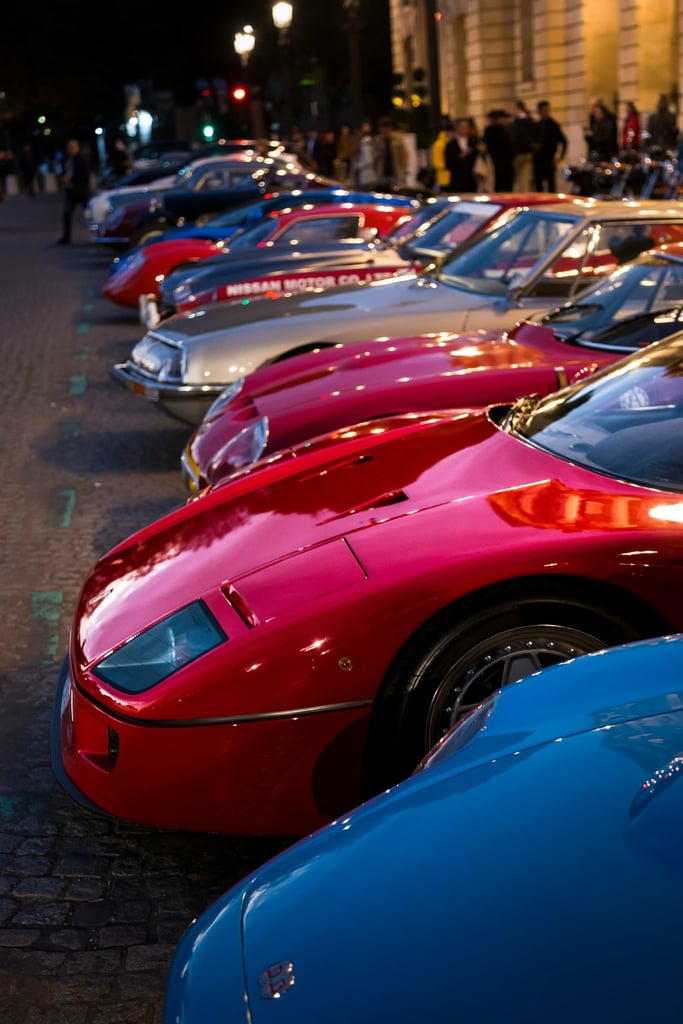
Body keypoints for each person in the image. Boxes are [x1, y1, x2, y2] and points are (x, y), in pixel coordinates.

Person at [58, 138, 90, 244]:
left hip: (81, 191)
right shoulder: (66, 159)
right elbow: (64, 171)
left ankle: (98, 233)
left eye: (72, 147)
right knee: (66, 214)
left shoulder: (81, 159)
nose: (70, 149)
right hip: (70, 191)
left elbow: (85, 175)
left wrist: (71, 179)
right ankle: (66, 237)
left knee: (90, 214)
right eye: (69, 147)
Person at [533, 100, 567, 191]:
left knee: (551, 184)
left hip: (549, 158)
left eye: (546, 110)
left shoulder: (553, 125)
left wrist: (559, 157)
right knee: (538, 184)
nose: (545, 113)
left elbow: (564, 141)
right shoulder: (537, 125)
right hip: (538, 159)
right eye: (543, 110)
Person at [509, 100, 539, 191]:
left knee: (522, 180)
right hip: (525, 153)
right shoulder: (530, 120)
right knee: (524, 179)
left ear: (518, 109)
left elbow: (515, 137)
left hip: (522, 154)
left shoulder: (518, 122)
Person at [481, 109, 514, 191]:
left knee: (496, 185)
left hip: (495, 161)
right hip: (505, 163)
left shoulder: (490, 130)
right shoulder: (505, 130)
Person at [445, 117, 478, 191]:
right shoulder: (450, 144)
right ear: (457, 128)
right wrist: (460, 156)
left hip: (471, 181)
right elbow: (448, 165)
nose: (465, 129)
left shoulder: (474, 142)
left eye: (466, 127)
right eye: (462, 127)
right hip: (457, 181)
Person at [372, 116, 407, 186]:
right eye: (382, 128)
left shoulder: (398, 140)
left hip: (395, 173)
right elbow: (373, 157)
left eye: (387, 128)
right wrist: (377, 154)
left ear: (390, 128)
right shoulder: (377, 141)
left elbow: (402, 157)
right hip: (381, 173)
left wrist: (403, 172)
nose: (385, 130)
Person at [352, 120, 376, 185]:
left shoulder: (366, 141)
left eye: (368, 126)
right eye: (365, 126)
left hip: (367, 175)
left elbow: (368, 160)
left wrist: (358, 166)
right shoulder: (363, 140)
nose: (367, 128)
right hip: (364, 174)